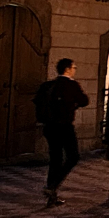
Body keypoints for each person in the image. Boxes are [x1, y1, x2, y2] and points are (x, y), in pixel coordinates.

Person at [33, 58, 90, 207]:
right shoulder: (71, 85)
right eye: (74, 67)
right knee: (73, 156)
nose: (74, 70)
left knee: (55, 158)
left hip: (49, 126)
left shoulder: (47, 85)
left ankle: (52, 195)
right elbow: (84, 101)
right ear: (68, 69)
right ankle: (52, 186)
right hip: (64, 126)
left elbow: (37, 101)